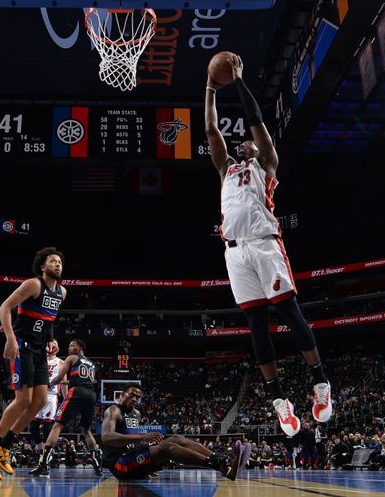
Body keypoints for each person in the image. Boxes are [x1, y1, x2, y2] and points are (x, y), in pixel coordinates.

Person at [204, 55, 332, 437]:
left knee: (289, 312)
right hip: (234, 251)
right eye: (240, 144)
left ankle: (321, 384)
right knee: (256, 324)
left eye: (250, 143)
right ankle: (280, 401)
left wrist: (239, 81)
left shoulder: (267, 164)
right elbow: (211, 130)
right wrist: (210, 88)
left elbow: (256, 120)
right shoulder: (225, 169)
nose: (244, 144)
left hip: (264, 244)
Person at [0, 247, 65, 480]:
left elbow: (48, 322)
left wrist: (51, 340)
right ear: (42, 266)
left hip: (39, 350)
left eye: (60, 262)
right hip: (22, 346)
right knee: (23, 399)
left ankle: (5, 446)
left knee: (40, 400)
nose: (57, 264)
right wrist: (10, 338)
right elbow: (4, 307)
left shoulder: (61, 293)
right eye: (52, 261)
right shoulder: (34, 285)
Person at [100, 383, 249, 480]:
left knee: (176, 438)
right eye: (131, 394)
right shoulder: (113, 410)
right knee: (167, 448)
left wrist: (146, 465)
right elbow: (107, 437)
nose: (134, 399)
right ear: (122, 395)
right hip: (120, 464)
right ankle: (220, 466)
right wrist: (141, 438)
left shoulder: (137, 414)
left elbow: (131, 443)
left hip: (134, 458)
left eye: (137, 397)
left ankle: (222, 461)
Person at [30, 339, 102, 476]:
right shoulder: (91, 363)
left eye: (72, 345)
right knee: (86, 430)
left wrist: (48, 384)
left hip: (77, 392)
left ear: (80, 347)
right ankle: (97, 464)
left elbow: (59, 378)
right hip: (91, 394)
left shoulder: (72, 358)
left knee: (57, 425)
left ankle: (44, 462)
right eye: (68, 346)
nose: (69, 348)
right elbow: (81, 380)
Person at [29, 340, 66, 455]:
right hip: (37, 395)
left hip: (51, 395)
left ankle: (46, 452)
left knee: (47, 425)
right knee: (33, 427)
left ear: (57, 347)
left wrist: (66, 400)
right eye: (49, 344)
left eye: (54, 344)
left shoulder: (61, 362)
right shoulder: (38, 360)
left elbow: (64, 382)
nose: (51, 347)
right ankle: (41, 448)